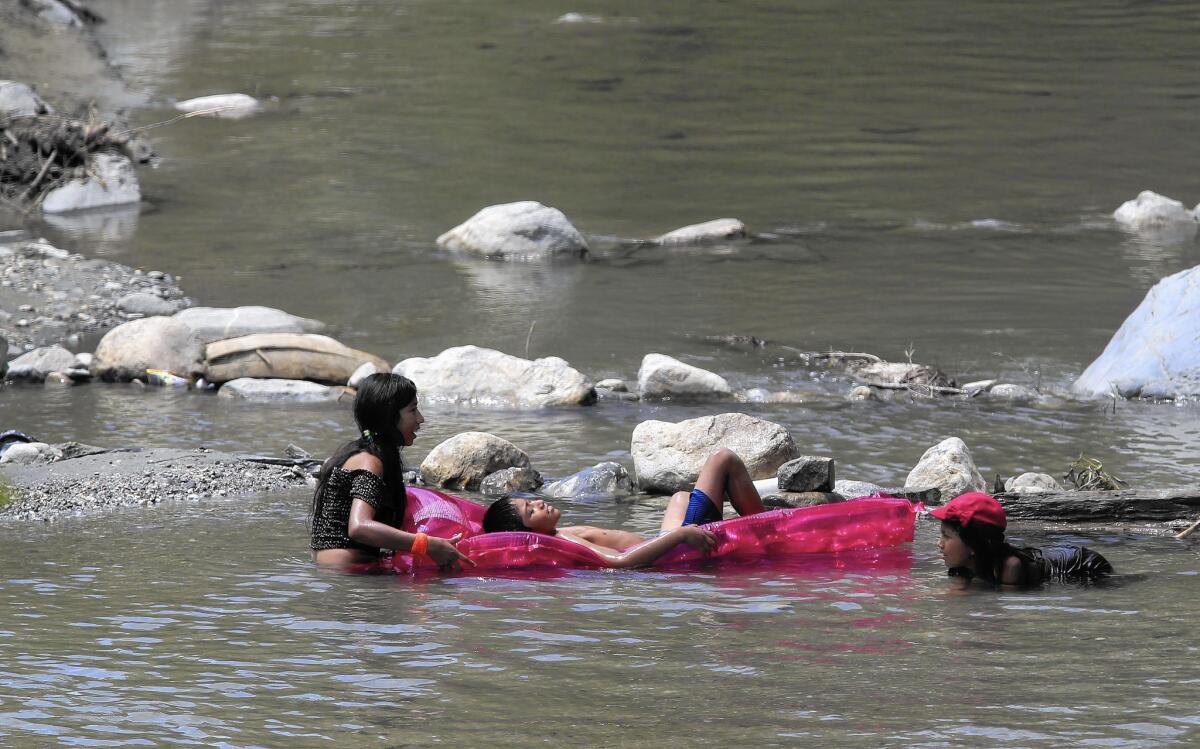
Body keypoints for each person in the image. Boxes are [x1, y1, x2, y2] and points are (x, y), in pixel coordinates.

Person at [481, 448, 766, 568]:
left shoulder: (558, 532)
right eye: (531, 512)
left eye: (530, 502)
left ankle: (764, 523)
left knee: (680, 497)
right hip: (677, 553)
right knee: (722, 459)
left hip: (667, 544)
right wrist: (680, 536)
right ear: (529, 534)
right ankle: (773, 527)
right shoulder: (563, 540)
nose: (539, 503)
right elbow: (619, 562)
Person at [309, 372, 473, 572]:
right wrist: (427, 545)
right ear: (389, 415)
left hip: (334, 571)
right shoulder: (370, 462)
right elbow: (359, 527)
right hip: (351, 575)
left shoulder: (357, 455)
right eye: (413, 410)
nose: (420, 419)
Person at [932, 492, 1112, 587]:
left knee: (1115, 584)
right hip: (1056, 554)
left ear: (973, 545)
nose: (939, 543)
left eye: (946, 537)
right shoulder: (963, 564)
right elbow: (959, 590)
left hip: (1084, 566)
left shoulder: (1010, 568)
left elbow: (1000, 605)